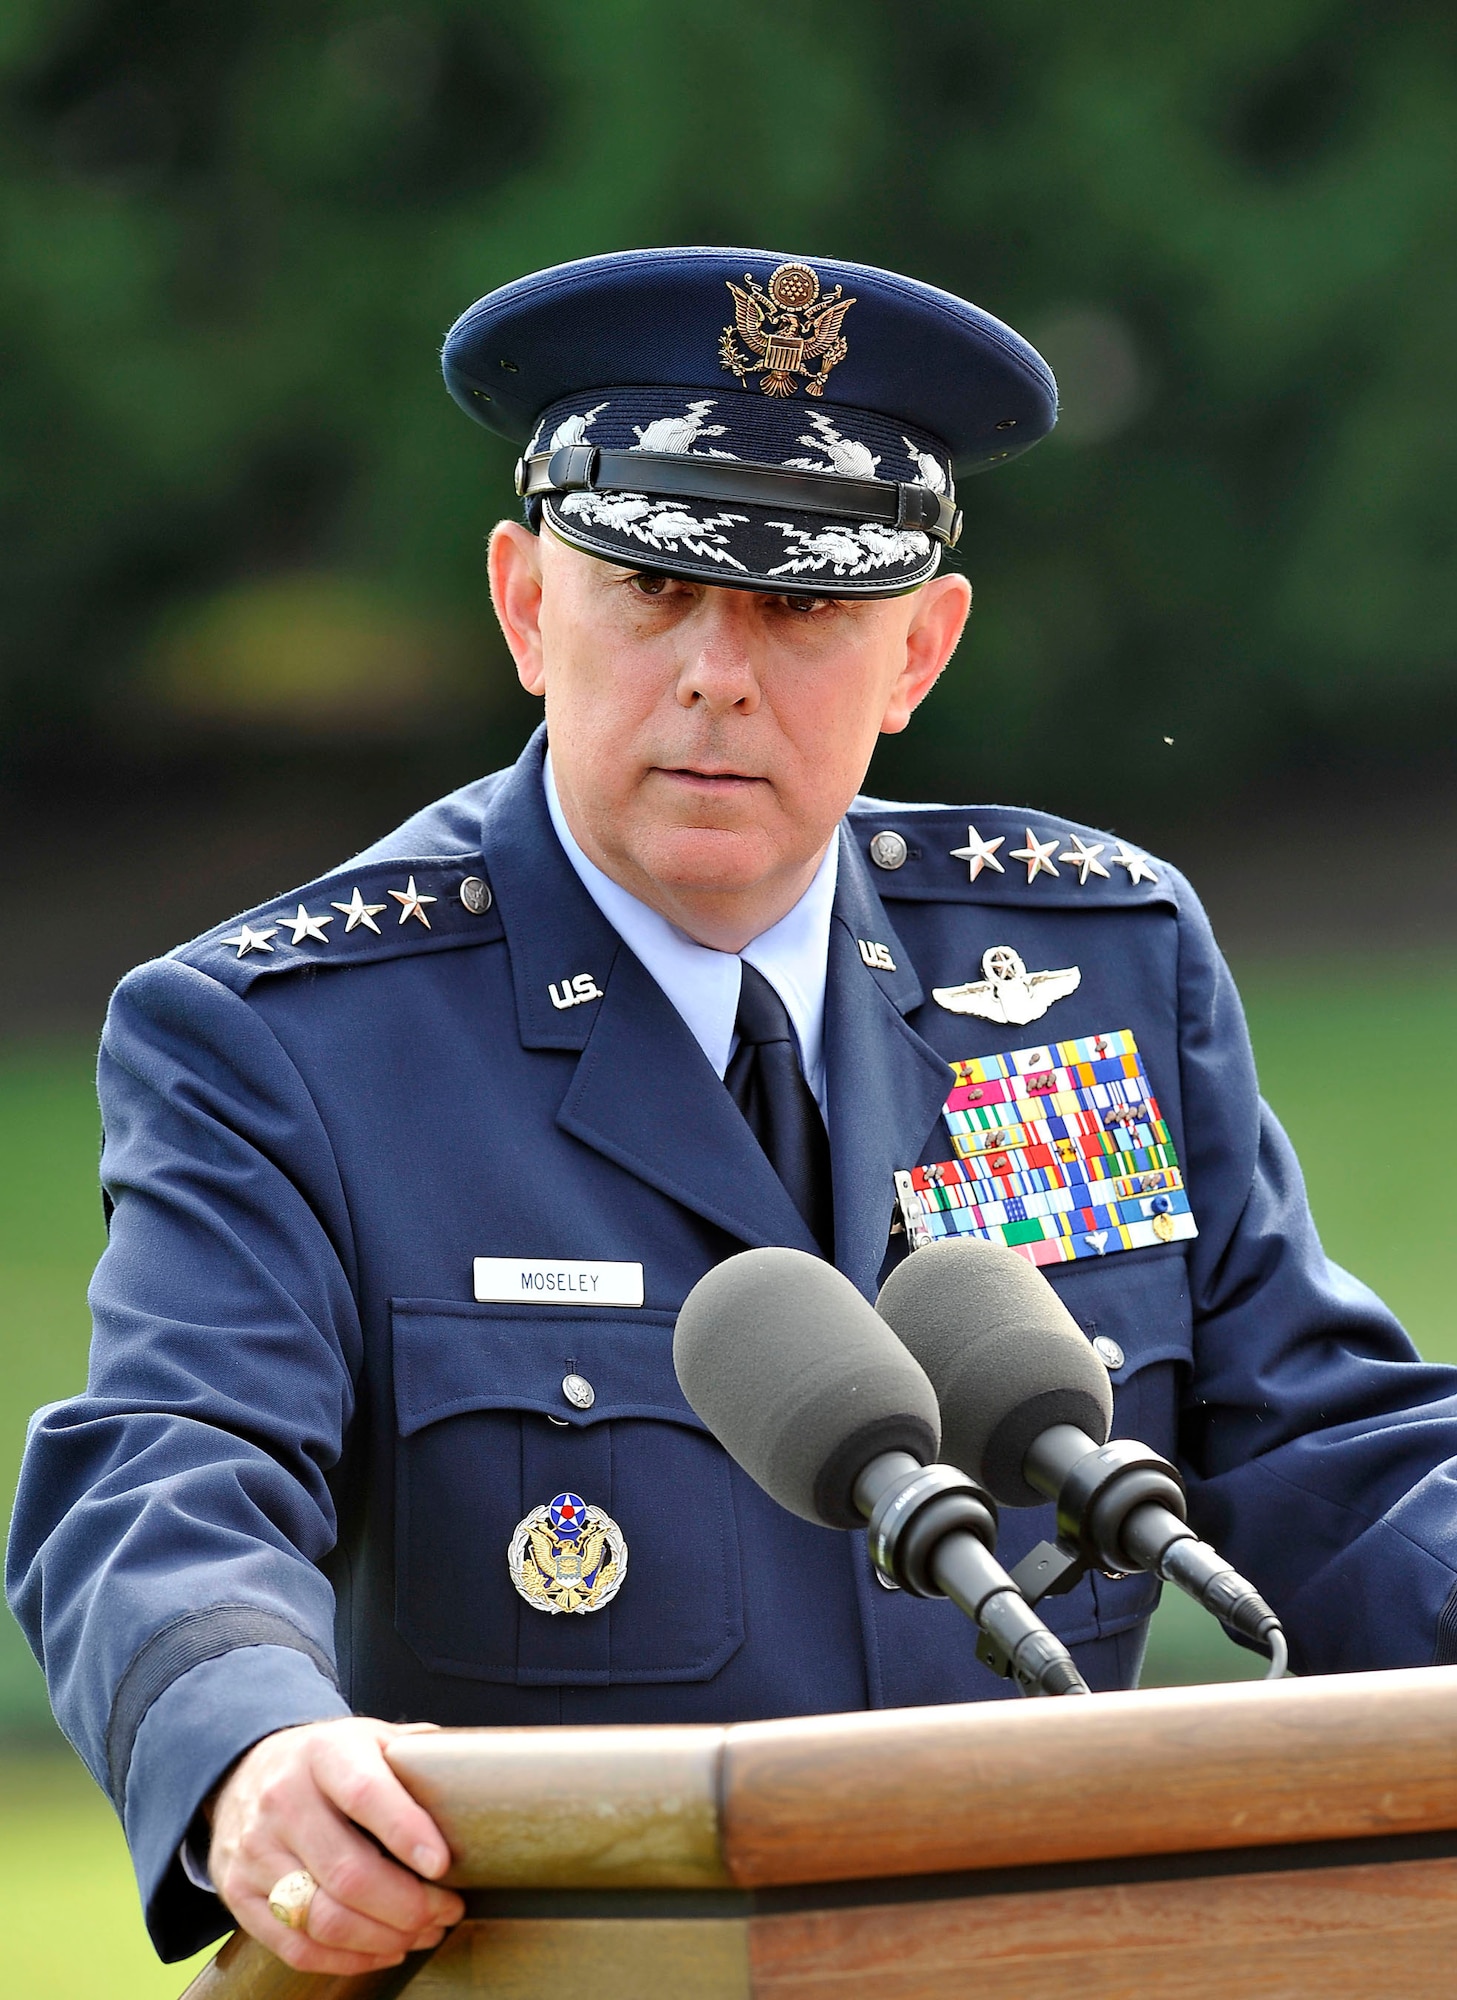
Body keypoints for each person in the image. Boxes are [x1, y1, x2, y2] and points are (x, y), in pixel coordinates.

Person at [10, 246, 1457, 1979]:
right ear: (527, 608)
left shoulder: (1093, 963)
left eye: (803, 609)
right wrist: (246, 1743)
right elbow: (175, 1464)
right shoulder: (287, 1038)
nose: (716, 675)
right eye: (649, 589)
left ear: (917, 649)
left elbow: (1325, 1444)